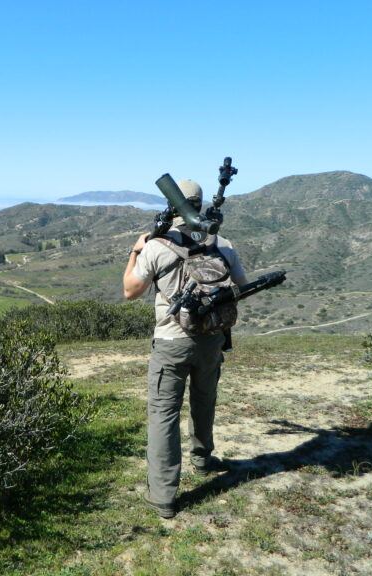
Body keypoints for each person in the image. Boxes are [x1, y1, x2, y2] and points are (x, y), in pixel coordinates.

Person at [122, 179, 248, 518]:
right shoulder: (221, 242)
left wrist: (136, 250)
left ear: (173, 205)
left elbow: (130, 291)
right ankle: (203, 459)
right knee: (204, 401)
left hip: (170, 343)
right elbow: (243, 286)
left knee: (164, 415)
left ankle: (163, 496)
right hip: (212, 340)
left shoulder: (157, 246)